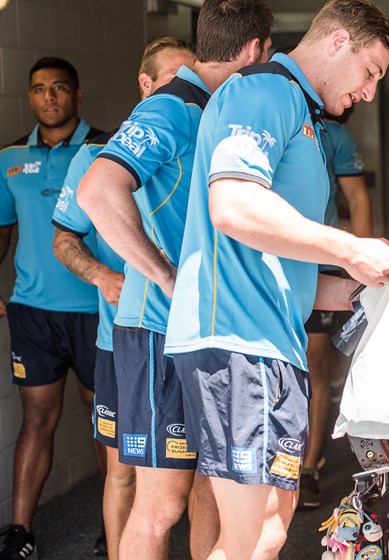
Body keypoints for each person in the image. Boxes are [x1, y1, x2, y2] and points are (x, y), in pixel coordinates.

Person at [162, 0, 389, 557]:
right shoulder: (265, 90)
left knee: (266, 531)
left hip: (267, 343)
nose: (370, 93)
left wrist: (370, 286)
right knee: (254, 540)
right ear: (337, 41)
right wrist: (350, 248)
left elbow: (282, 267)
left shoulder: (299, 110)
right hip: (240, 343)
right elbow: (233, 205)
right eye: (370, 71)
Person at [77, 3, 274, 559]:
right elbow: (97, 191)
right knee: (161, 506)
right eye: (267, 55)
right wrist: (164, 275)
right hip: (159, 329)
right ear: (254, 50)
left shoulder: (215, 109)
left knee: (213, 492)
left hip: (210, 329)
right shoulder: (170, 105)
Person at [51, 37, 195, 560]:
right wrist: (103, 276)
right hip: (124, 339)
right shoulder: (96, 155)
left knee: (196, 481)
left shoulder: (204, 142)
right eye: (176, 80)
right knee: (125, 474)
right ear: (146, 84)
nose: (188, 91)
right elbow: (64, 239)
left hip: (193, 334)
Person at [0, 57, 103, 560]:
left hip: (96, 309)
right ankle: (20, 532)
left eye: (59, 87)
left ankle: (114, 526)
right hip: (33, 312)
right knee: (37, 420)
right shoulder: (9, 158)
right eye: (39, 89)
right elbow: (2, 231)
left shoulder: (104, 148)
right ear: (30, 97)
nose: (49, 97)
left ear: (77, 94)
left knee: (105, 421)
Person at [300, 112, 373, 509]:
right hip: (269, 260)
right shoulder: (270, 116)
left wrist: (361, 264)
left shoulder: (336, 135)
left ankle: (309, 467)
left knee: (313, 362)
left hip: (321, 263)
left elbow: (358, 198)